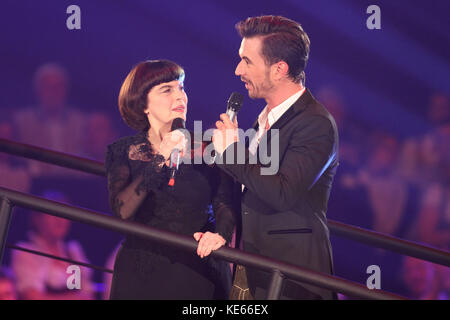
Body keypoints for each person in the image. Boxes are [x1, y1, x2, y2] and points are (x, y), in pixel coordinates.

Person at [212, 15, 339, 299]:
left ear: (279, 69)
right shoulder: (264, 118)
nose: (237, 70)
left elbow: (282, 192)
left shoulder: (315, 123)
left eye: (247, 61)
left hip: (292, 280)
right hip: (250, 269)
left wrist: (233, 151)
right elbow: (248, 184)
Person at [105, 60, 235, 299]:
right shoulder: (123, 150)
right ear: (143, 104)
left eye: (182, 88)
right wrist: (160, 158)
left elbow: (225, 202)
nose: (180, 97)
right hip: (141, 273)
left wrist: (221, 235)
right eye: (167, 90)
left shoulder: (208, 147)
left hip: (196, 270)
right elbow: (122, 210)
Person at [11, 190, 94, 300]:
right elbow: (32, 297)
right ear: (37, 219)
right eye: (53, 214)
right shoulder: (26, 251)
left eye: (64, 214)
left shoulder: (72, 252)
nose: (60, 220)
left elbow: (87, 294)